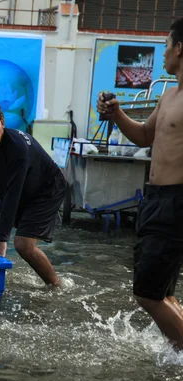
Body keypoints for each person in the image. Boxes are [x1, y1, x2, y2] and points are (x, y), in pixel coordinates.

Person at [96, 17, 183, 349]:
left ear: (180, 47)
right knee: (163, 293)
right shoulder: (169, 95)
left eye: (165, 46)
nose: (161, 54)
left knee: (147, 295)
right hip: (156, 198)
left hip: (176, 201)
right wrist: (116, 114)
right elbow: (145, 137)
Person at [0, 100, 66, 286]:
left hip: (46, 189)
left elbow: (12, 193)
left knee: (23, 245)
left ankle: (56, 286)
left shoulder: (17, 147)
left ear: (2, 122)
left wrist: (2, 238)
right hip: (20, 190)